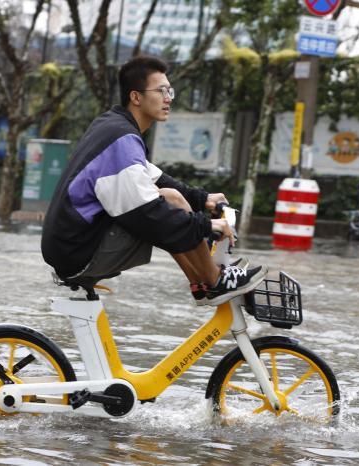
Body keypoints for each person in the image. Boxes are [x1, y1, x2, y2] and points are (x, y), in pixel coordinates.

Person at [41, 56, 266, 306]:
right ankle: (215, 281)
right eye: (161, 91)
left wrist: (202, 199)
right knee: (169, 204)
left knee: (171, 198)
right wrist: (206, 225)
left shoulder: (114, 126)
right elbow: (149, 213)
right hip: (79, 253)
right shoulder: (121, 138)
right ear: (136, 97)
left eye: (170, 91)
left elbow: (155, 177)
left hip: (70, 246)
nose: (168, 97)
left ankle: (200, 282)